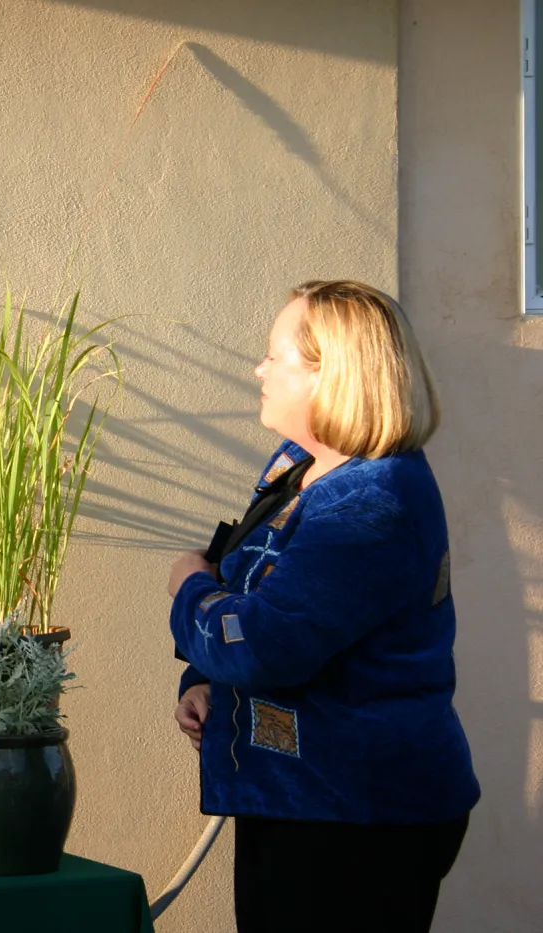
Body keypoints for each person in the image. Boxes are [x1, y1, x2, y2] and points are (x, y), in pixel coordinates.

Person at [166, 281, 479, 933]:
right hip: (301, 801)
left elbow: (263, 645)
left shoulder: (370, 503)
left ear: (330, 373)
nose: (260, 369)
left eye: (275, 356)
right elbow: (263, 589)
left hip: (357, 815)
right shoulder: (298, 468)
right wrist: (203, 678)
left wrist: (186, 587)